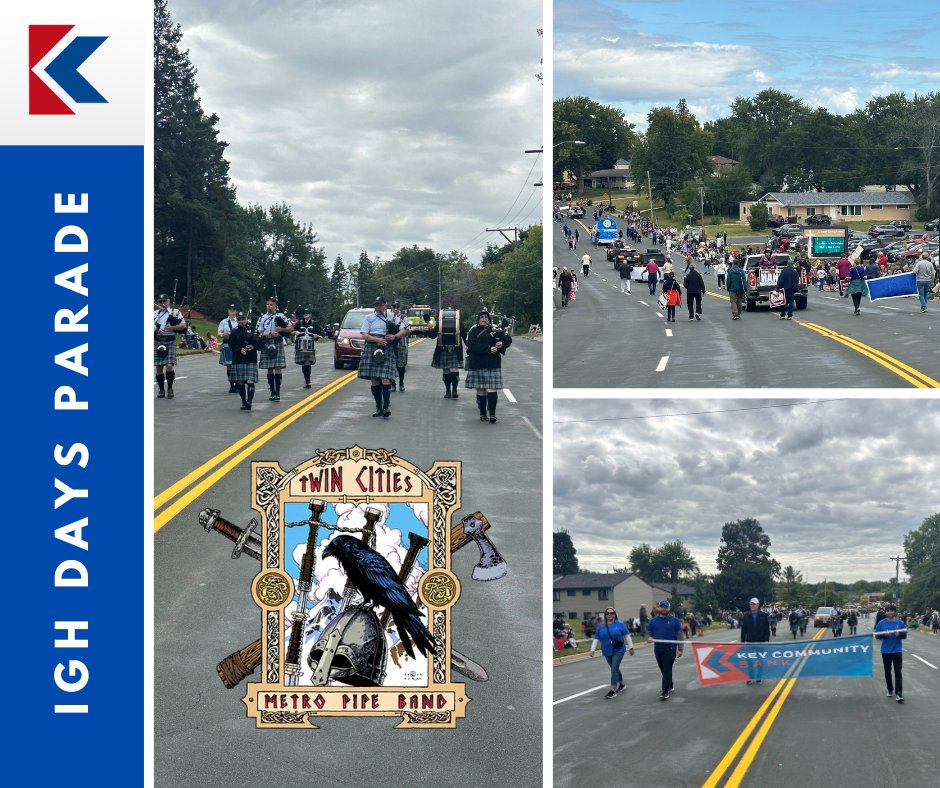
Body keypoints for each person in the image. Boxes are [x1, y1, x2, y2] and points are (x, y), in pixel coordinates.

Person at [358, 296, 406, 418]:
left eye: (380, 305)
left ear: (385, 305)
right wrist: (377, 340)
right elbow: (364, 334)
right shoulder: (369, 318)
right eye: (376, 305)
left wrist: (395, 337)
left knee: (385, 378)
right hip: (372, 347)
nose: (378, 307)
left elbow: (404, 330)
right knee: (374, 379)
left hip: (387, 348)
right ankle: (378, 407)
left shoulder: (392, 316)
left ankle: (385, 407)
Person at [465, 310, 511, 423]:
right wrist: (488, 349)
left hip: (492, 363)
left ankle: (492, 414)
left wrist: (502, 344)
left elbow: (507, 339)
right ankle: (482, 413)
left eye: (486, 317)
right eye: (482, 317)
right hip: (477, 363)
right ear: (478, 319)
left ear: (489, 319)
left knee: (491, 389)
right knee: (481, 390)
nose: (484, 319)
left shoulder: (495, 330)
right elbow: (471, 344)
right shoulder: (474, 331)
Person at [589, 607, 635, 699]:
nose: (610, 615)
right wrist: (592, 650)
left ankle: (613, 690)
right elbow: (596, 639)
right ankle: (622, 684)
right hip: (606, 650)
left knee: (614, 668)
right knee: (615, 668)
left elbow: (627, 636)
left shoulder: (620, 624)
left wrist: (631, 647)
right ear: (605, 615)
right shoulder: (601, 627)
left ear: (615, 614)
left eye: (612, 613)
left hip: (619, 650)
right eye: (608, 613)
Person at [255, 296, 293, 402]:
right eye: (267, 304)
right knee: (269, 369)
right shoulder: (262, 318)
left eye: (271, 304)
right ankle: (272, 391)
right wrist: (267, 334)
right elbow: (259, 331)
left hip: (278, 342)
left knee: (278, 367)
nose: (269, 306)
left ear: (276, 306)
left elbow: (291, 328)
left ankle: (277, 392)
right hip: (267, 342)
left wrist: (282, 329)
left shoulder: (281, 316)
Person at [646, 600, 684, 700]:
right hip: (658, 649)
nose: (664, 609)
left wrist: (680, 649)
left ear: (669, 608)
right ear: (659, 608)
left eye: (666, 607)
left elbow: (680, 635)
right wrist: (649, 637)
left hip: (670, 648)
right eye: (662, 607)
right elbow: (649, 632)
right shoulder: (653, 621)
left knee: (667, 668)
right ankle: (670, 684)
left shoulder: (675, 621)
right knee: (663, 669)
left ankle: (665, 690)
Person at [153, 294, 187, 399]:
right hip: (158, 341)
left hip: (170, 341)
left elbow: (183, 325)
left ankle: (170, 388)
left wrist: (172, 327)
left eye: (165, 301)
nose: (163, 303)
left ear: (169, 302)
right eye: (161, 301)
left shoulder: (175, 312)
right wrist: (157, 329)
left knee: (169, 366)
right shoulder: (154, 314)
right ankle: (161, 389)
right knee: (159, 368)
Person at [430, 306, 466, 399]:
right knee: (451, 369)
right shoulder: (458, 322)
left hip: (447, 348)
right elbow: (465, 337)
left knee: (448, 370)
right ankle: (451, 390)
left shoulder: (440, 323)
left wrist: (430, 328)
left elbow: (432, 336)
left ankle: (451, 391)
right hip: (452, 348)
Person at [227, 311, 260, 411]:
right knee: (241, 382)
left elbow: (260, 342)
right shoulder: (234, 331)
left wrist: (253, 346)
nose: (242, 321)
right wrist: (239, 350)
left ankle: (249, 402)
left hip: (250, 358)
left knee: (250, 380)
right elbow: (231, 345)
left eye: (243, 319)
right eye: (239, 319)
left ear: (246, 319)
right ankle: (243, 402)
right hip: (239, 359)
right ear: (237, 320)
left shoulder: (253, 329)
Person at [874, 604, 906, 702]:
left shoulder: (900, 623)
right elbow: (877, 636)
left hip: (897, 650)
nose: (890, 613)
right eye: (888, 611)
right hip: (885, 651)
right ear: (886, 612)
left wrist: (899, 634)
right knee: (887, 672)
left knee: (898, 671)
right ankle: (890, 689)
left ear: (895, 612)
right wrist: (884, 635)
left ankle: (899, 693)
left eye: (891, 611)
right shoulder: (881, 623)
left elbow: (904, 636)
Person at [740, 597, 770, 684]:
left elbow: (766, 629)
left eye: (754, 604)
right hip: (749, 641)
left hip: (760, 641)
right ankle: (750, 676)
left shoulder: (763, 615)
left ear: (758, 605)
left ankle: (759, 677)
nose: (752, 606)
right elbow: (743, 630)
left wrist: (766, 640)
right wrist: (742, 642)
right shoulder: (746, 615)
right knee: (749, 660)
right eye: (751, 604)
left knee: (759, 660)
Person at [293, 306, 323, 389]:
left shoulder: (314, 323)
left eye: (307, 313)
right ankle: (307, 380)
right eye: (304, 313)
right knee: (304, 363)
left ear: (310, 314)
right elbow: (293, 331)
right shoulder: (299, 323)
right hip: (301, 345)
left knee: (307, 363)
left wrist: (317, 336)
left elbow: (319, 333)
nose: (306, 315)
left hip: (310, 346)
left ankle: (307, 381)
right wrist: (295, 332)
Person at [387, 301, 411, 392]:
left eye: (397, 307)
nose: (395, 309)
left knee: (400, 364)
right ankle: (393, 384)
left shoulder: (403, 318)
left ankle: (401, 383)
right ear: (391, 308)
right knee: (390, 364)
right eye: (394, 307)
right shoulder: (388, 317)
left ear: (399, 308)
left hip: (400, 343)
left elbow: (409, 330)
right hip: (389, 342)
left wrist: (407, 331)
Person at [216, 304, 240, 393]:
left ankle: (238, 384)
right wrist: (222, 334)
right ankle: (232, 385)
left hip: (237, 345)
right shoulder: (224, 322)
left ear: (236, 312)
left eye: (233, 310)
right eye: (230, 310)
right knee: (229, 365)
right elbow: (219, 332)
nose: (232, 312)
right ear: (228, 311)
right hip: (228, 344)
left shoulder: (239, 321)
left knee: (237, 364)